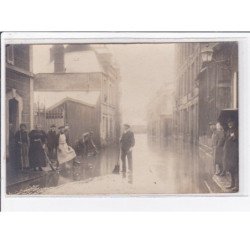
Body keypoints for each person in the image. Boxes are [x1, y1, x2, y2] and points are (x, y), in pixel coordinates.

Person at [223, 119, 239, 191]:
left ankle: (237, 186)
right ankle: (232, 184)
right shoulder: (228, 131)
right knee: (231, 169)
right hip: (228, 153)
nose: (230, 124)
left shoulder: (236, 130)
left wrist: (233, 136)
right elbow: (226, 139)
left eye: (231, 122)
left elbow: (234, 139)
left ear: (234, 123)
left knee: (235, 169)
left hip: (234, 152)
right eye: (229, 123)